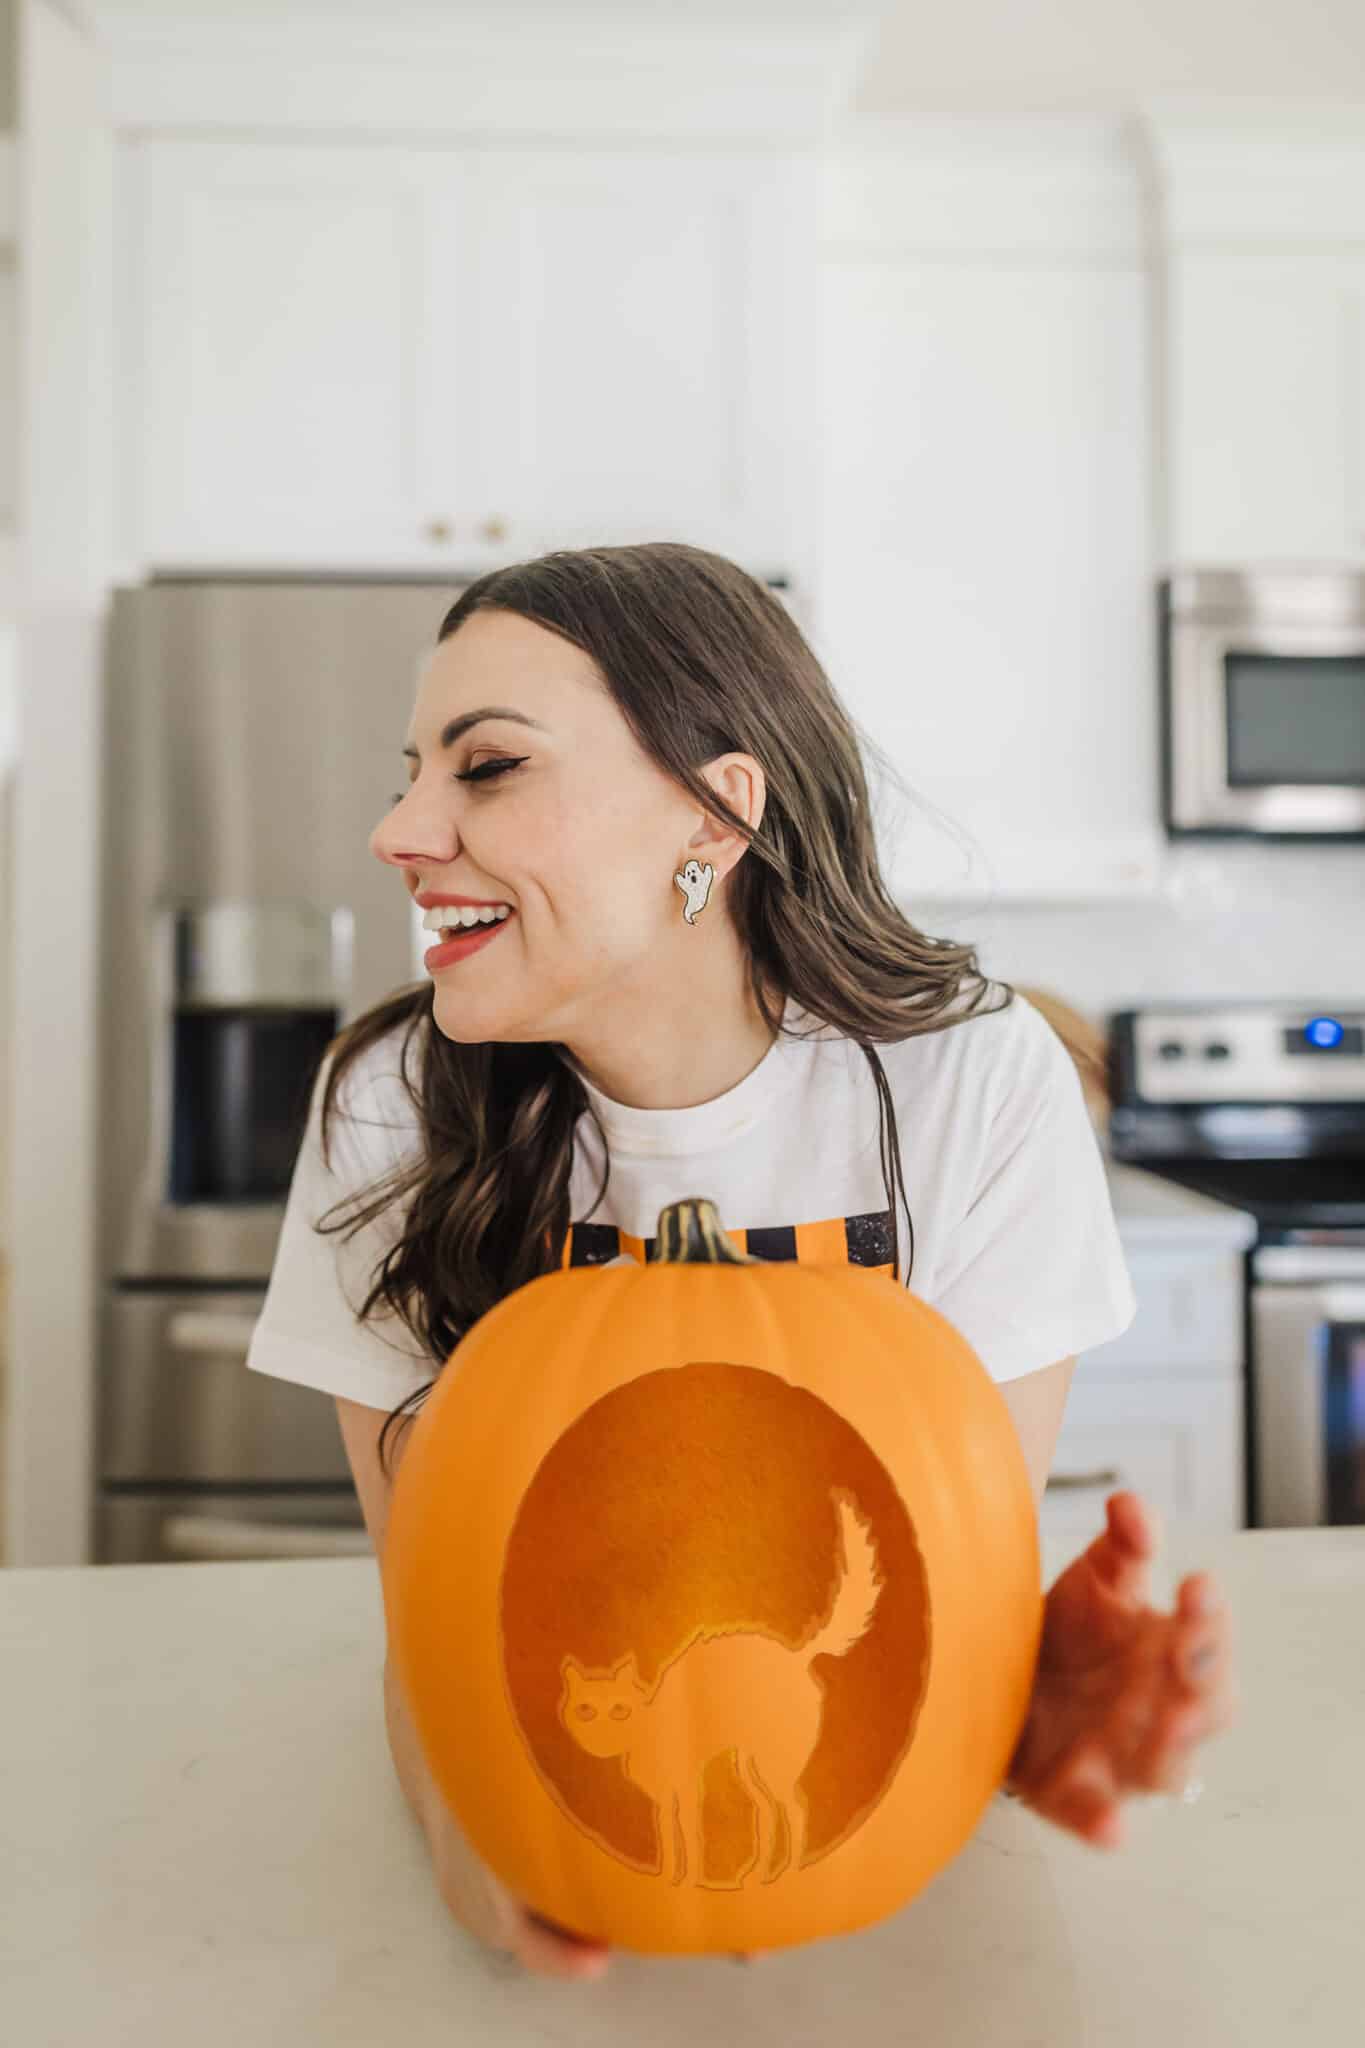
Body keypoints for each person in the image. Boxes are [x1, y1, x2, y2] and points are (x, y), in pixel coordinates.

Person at [245, 542, 1238, 1982]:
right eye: (410, 771)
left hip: (870, 1883)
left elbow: (933, 1609)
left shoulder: (968, 1079)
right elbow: (441, 1632)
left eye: (486, 768)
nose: (401, 828)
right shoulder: (395, 1095)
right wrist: (489, 1869)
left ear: (717, 810)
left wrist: (1020, 1703)